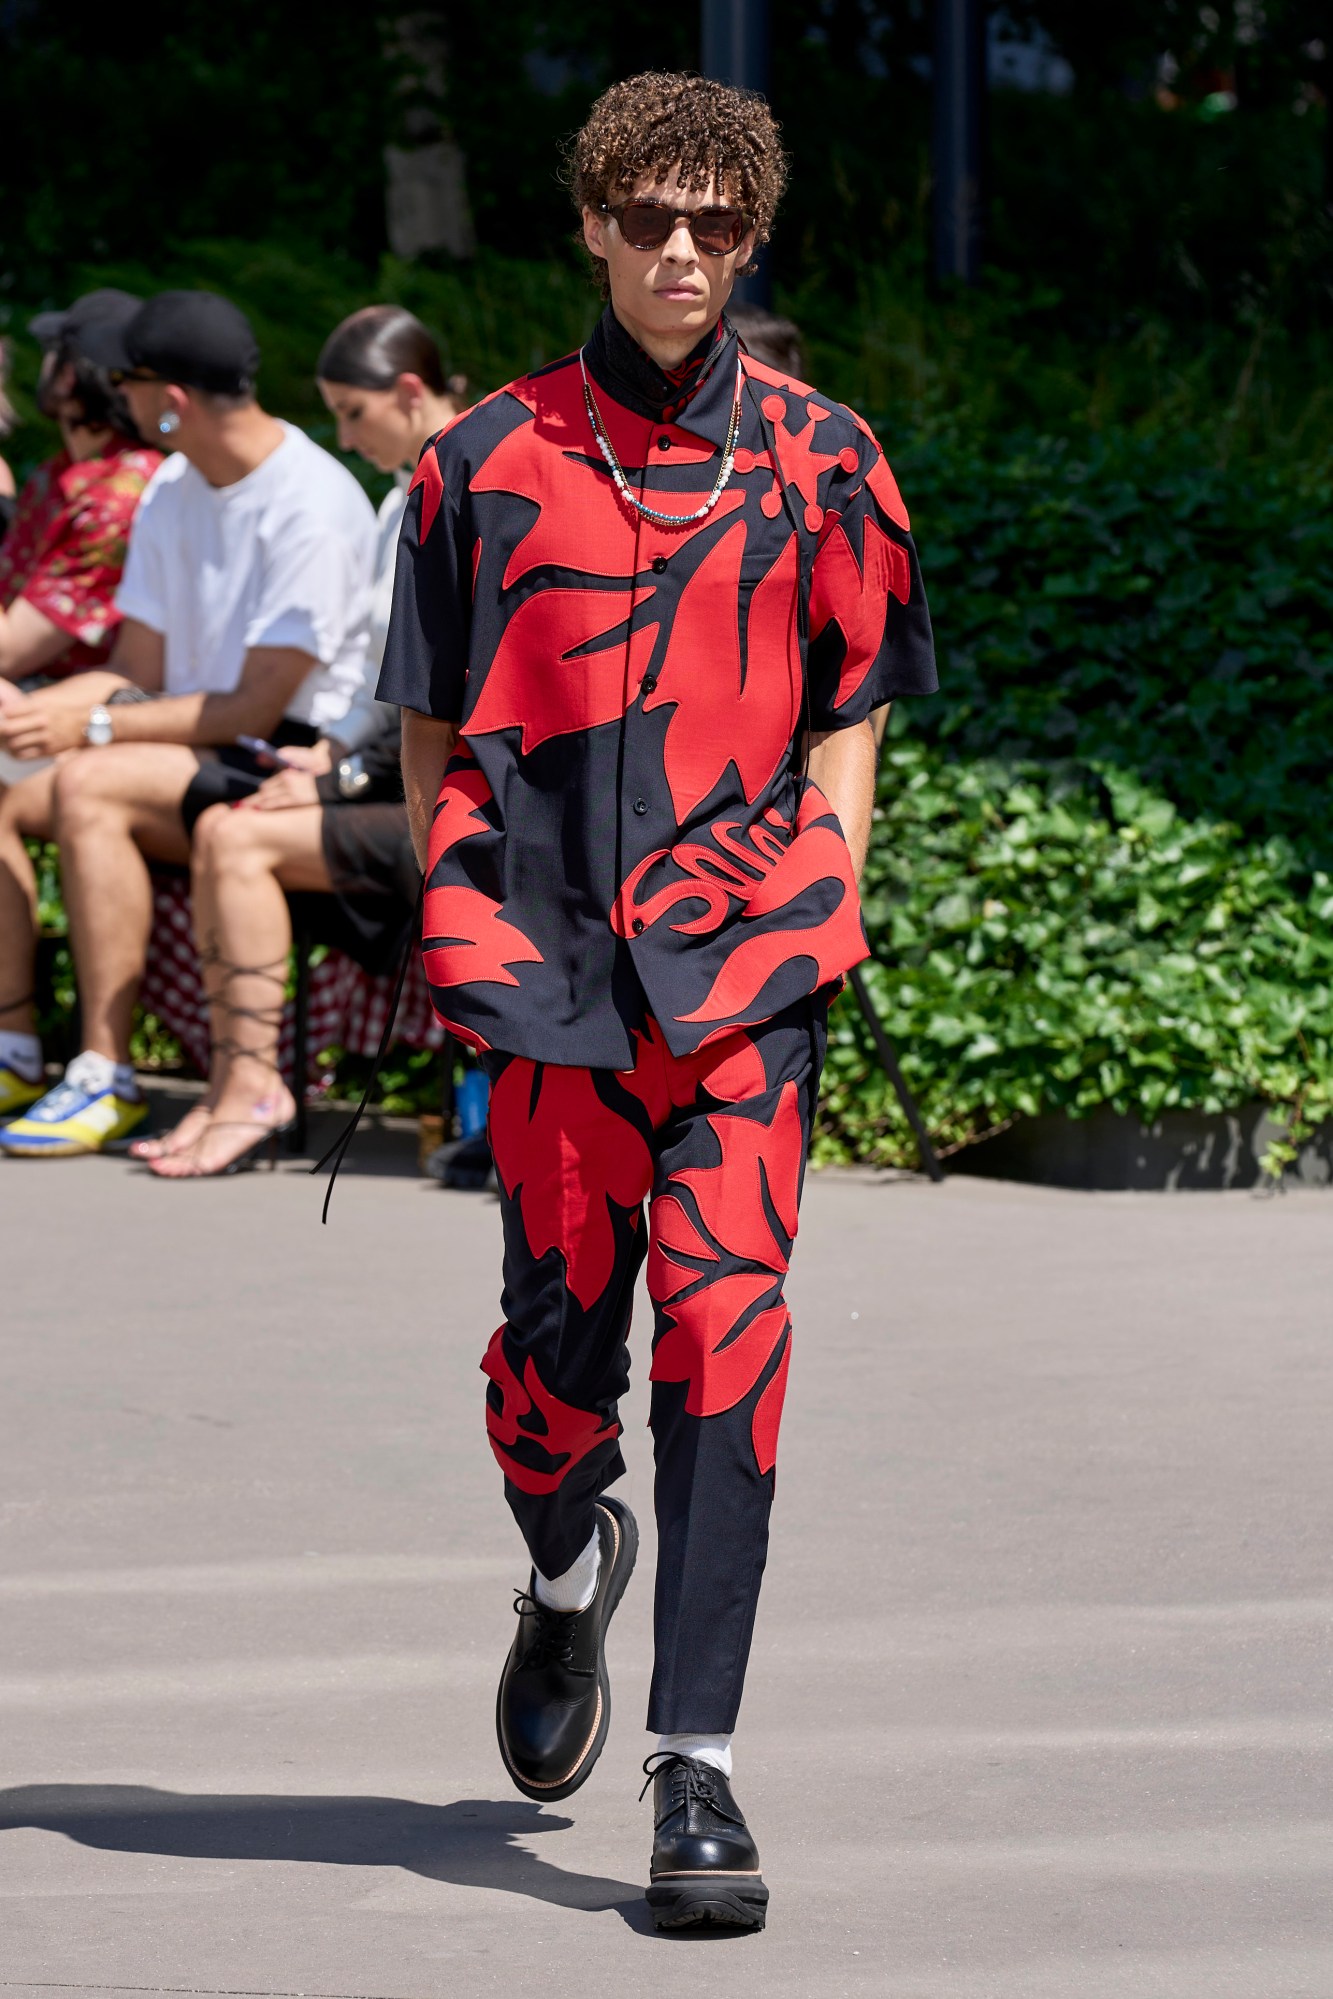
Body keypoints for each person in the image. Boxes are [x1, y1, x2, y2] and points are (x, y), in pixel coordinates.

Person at [378, 71, 937, 1930]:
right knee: (551, 1371)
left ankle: (693, 1761)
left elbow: (853, 688)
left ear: (750, 233)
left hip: (744, 974)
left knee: (726, 1332)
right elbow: (431, 710)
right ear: (592, 224)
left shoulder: (826, 459)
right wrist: (460, 899)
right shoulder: (477, 464)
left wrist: (830, 870)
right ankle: (560, 1574)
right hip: (547, 976)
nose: (679, 249)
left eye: (713, 222)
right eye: (647, 215)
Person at [0, 290, 377, 1152]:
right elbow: (135, 672)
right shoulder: (174, 482)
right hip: (185, 735)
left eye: (125, 382)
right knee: (4, 786)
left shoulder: (310, 503)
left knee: (90, 786)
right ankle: (17, 1046)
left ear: (166, 399)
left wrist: (84, 731)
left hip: (285, 755)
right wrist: (37, 714)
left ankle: (103, 1071)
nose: (115, 399)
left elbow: (254, 708)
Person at [135, 305, 462, 1178]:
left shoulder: (462, 482)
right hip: (397, 777)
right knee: (229, 824)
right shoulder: (407, 488)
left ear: (407, 392)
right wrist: (327, 758)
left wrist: (338, 774)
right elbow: (378, 679)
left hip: (465, 799)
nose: (346, 438)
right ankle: (235, 1082)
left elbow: (444, 689)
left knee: (235, 838)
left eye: (352, 413)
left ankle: (251, 1087)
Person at [0, 290, 161, 684]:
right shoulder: (56, 474)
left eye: (53, 353)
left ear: (70, 375)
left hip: (69, 705)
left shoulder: (118, 499)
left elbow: (7, 654)